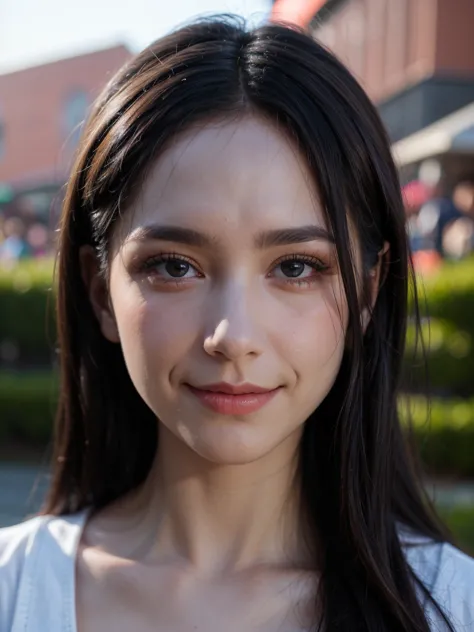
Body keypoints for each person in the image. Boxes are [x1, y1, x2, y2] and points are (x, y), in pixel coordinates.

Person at [0, 17, 473, 632]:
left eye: (297, 267)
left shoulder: (452, 608)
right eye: (174, 266)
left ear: (367, 291)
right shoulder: (15, 591)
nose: (234, 336)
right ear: (100, 292)